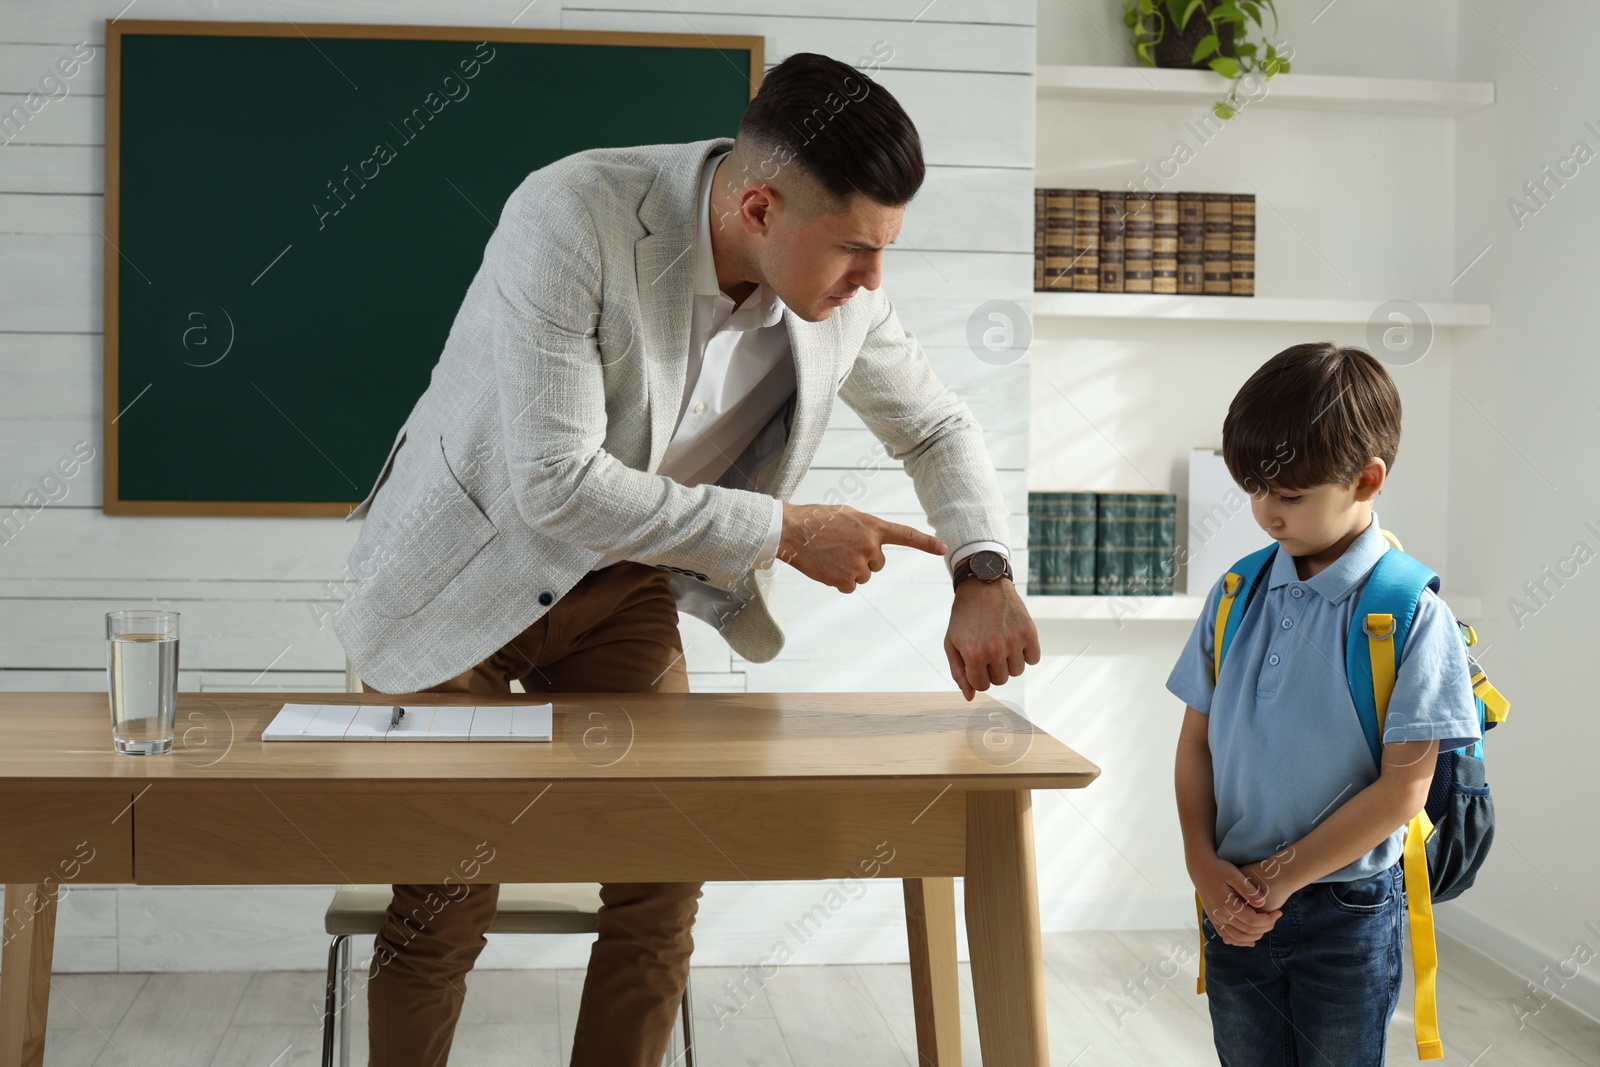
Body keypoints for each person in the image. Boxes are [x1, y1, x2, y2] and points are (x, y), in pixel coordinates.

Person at [329, 51, 1039, 1066]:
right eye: (853, 251)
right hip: (457, 573)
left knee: (664, 875)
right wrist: (787, 531)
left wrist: (981, 571)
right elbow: (557, 485)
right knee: (445, 894)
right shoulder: (573, 215)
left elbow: (933, 425)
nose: (874, 281)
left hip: (617, 591)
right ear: (758, 207)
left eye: (885, 250)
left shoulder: (843, 292)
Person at [1166, 343, 1481, 1066]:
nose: (1267, 514)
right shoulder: (1234, 596)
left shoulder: (1407, 612)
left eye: (1291, 494)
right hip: (1233, 898)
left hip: (1348, 912)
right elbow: (1194, 747)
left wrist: (1279, 879)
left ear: (1367, 478)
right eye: (1254, 491)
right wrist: (1202, 865)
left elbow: (1406, 786)